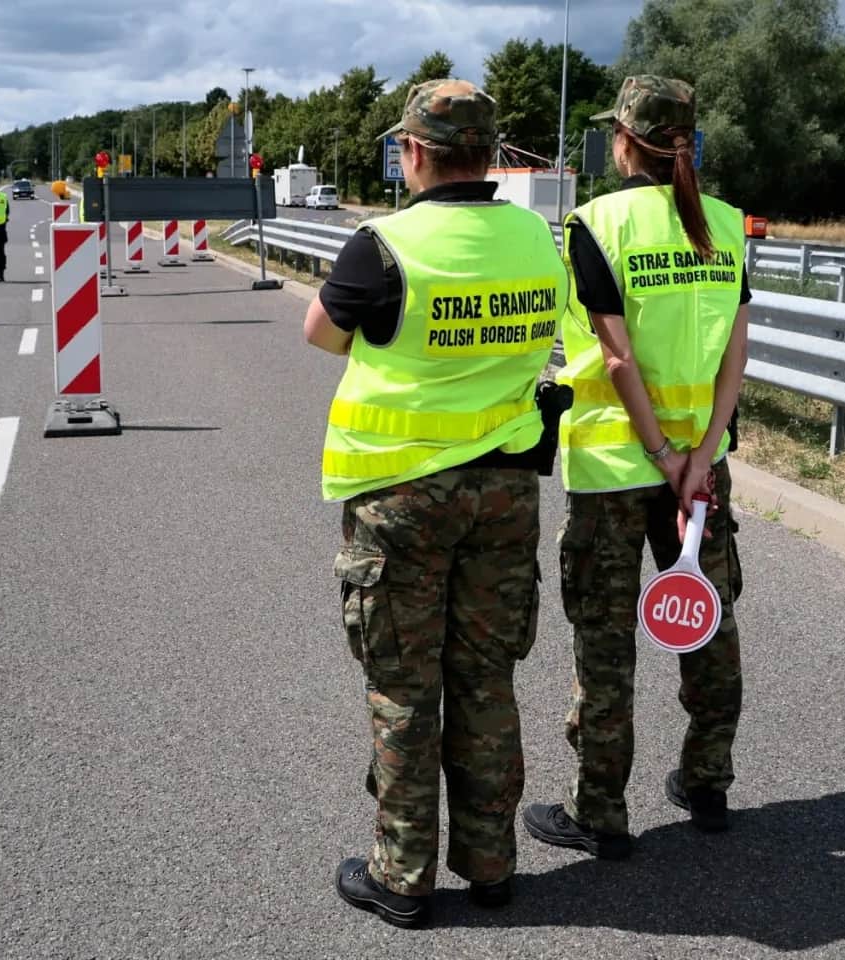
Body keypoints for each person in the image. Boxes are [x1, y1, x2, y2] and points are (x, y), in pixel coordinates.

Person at [302, 78, 568, 929]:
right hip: (505, 492)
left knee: (406, 687)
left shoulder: (382, 244)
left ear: (413, 152)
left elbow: (322, 332)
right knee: (486, 676)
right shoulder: (534, 236)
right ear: (490, 157)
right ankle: (492, 865)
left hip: (403, 500)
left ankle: (404, 874)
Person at [522, 75, 750, 858]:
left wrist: (658, 453)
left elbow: (617, 361)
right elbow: (735, 357)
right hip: (700, 470)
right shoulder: (723, 222)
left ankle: (601, 814)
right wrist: (698, 458)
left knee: (606, 640)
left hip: (620, 467)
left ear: (623, 141)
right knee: (706, 622)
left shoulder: (596, 222)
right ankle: (708, 781)